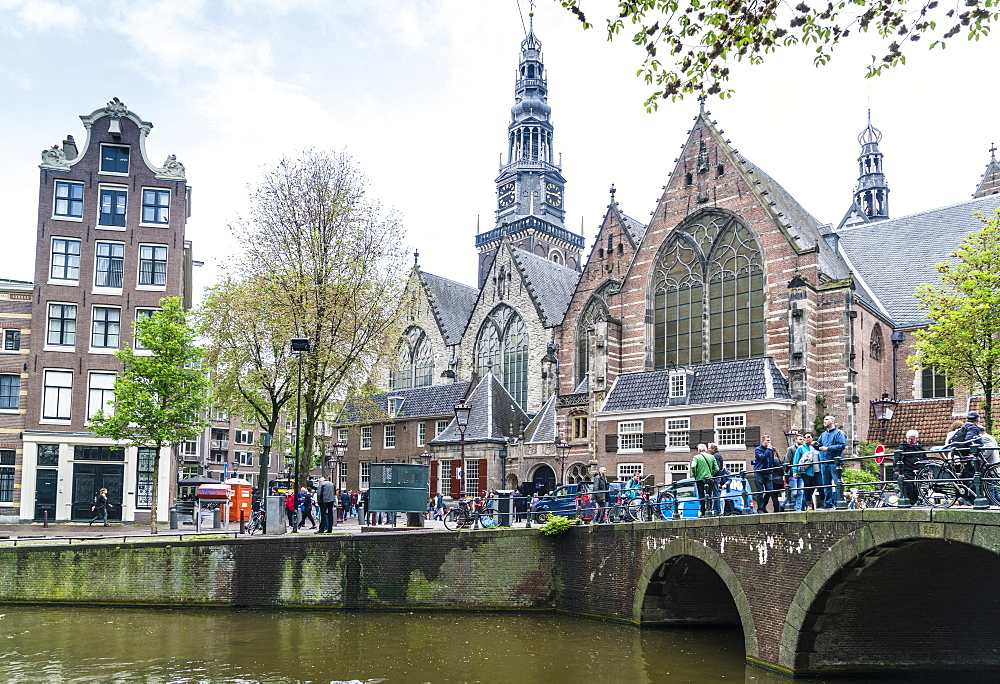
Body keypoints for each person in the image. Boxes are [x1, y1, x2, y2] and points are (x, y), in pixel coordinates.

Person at [816, 416, 847, 509]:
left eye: (826, 419)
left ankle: (839, 502)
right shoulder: (823, 434)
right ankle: (828, 503)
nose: (824, 421)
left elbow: (842, 445)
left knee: (837, 482)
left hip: (835, 462)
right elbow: (820, 445)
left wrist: (828, 448)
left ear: (832, 421)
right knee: (826, 484)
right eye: (824, 419)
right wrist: (816, 445)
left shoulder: (839, 433)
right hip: (824, 462)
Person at [752, 436, 780, 513]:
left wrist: (771, 472)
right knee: (760, 492)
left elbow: (770, 461)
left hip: (767, 473)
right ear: (762, 441)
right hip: (759, 473)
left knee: (770, 491)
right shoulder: (758, 449)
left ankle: (763, 506)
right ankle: (760, 509)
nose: (769, 442)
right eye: (767, 440)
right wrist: (768, 449)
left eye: (770, 441)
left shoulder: (770, 450)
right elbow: (763, 457)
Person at [690, 443, 719, 516]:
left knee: (701, 494)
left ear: (699, 450)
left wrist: (694, 474)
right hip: (709, 478)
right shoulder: (711, 457)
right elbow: (717, 468)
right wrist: (711, 474)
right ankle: (709, 510)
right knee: (709, 494)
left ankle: (703, 511)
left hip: (700, 479)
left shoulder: (696, 457)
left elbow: (693, 466)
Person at [897, 429, 924, 506]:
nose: (910, 440)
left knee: (917, 486)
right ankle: (909, 502)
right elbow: (897, 458)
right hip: (907, 469)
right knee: (909, 486)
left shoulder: (919, 447)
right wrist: (897, 469)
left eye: (912, 439)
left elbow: (924, 457)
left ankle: (914, 501)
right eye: (908, 438)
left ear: (916, 438)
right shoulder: (903, 447)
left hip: (918, 469)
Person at [795, 432, 820, 511]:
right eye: (805, 437)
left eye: (808, 437)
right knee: (807, 487)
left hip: (817, 470)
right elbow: (796, 459)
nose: (806, 438)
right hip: (806, 471)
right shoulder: (801, 448)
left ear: (812, 438)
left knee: (821, 486)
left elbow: (822, 455)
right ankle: (809, 505)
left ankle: (824, 503)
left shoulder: (817, 446)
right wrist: (795, 471)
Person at [786, 434, 806, 511]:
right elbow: (787, 461)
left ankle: (798, 509)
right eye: (800, 439)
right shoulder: (791, 449)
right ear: (795, 440)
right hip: (792, 474)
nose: (802, 441)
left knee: (800, 492)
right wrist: (789, 472)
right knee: (794, 492)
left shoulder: (803, 449)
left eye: (802, 439)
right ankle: (788, 506)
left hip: (801, 473)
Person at [707, 443, 726, 515]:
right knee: (715, 493)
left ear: (713, 449)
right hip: (717, 476)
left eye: (709, 448)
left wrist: (711, 474)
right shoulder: (717, 455)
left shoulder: (715, 456)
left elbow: (717, 468)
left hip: (716, 476)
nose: (708, 450)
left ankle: (716, 510)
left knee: (715, 493)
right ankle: (715, 510)